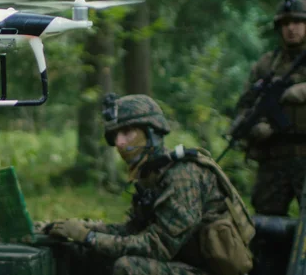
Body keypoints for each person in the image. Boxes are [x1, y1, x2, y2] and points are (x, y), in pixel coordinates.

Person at [45, 93, 255, 275]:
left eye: (128, 132)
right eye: (115, 136)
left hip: (207, 270)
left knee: (129, 267)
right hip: (182, 264)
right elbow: (132, 231)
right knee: (88, 252)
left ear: (152, 133)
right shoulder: (153, 175)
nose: (119, 143)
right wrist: (78, 228)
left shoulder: (183, 176)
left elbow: (157, 246)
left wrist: (89, 237)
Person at [232, 0, 306, 217]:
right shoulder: (266, 65)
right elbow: (244, 107)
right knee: (266, 225)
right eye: (284, 23)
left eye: (296, 22)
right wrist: (255, 128)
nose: (290, 28)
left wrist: (299, 91)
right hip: (274, 159)